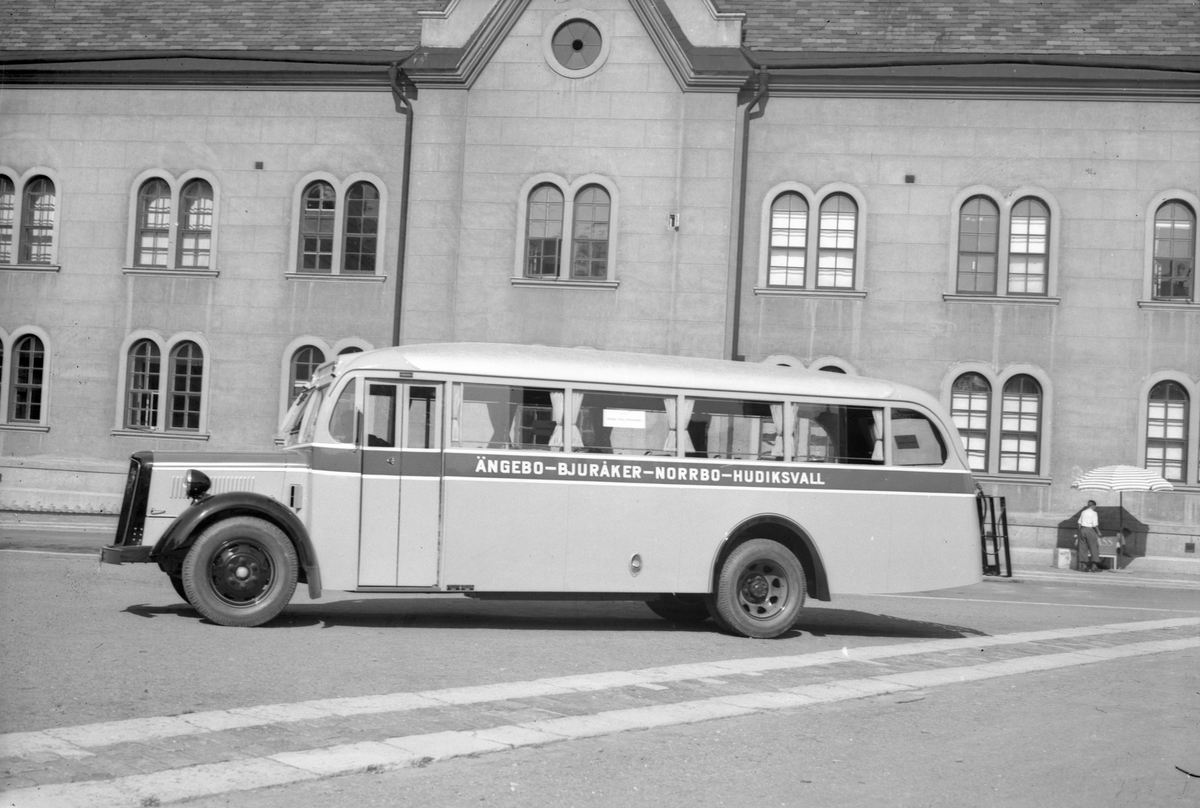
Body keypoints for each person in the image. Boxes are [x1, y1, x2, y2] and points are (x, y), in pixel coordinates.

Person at [1077, 500, 1103, 572]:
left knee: (1083, 548)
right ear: (1093, 506)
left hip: (1082, 529)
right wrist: (1098, 532)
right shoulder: (1094, 513)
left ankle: (1084, 567)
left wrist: (1080, 532)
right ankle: (1094, 566)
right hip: (1090, 530)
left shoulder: (1083, 512)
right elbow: (1095, 524)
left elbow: (1079, 523)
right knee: (1093, 547)